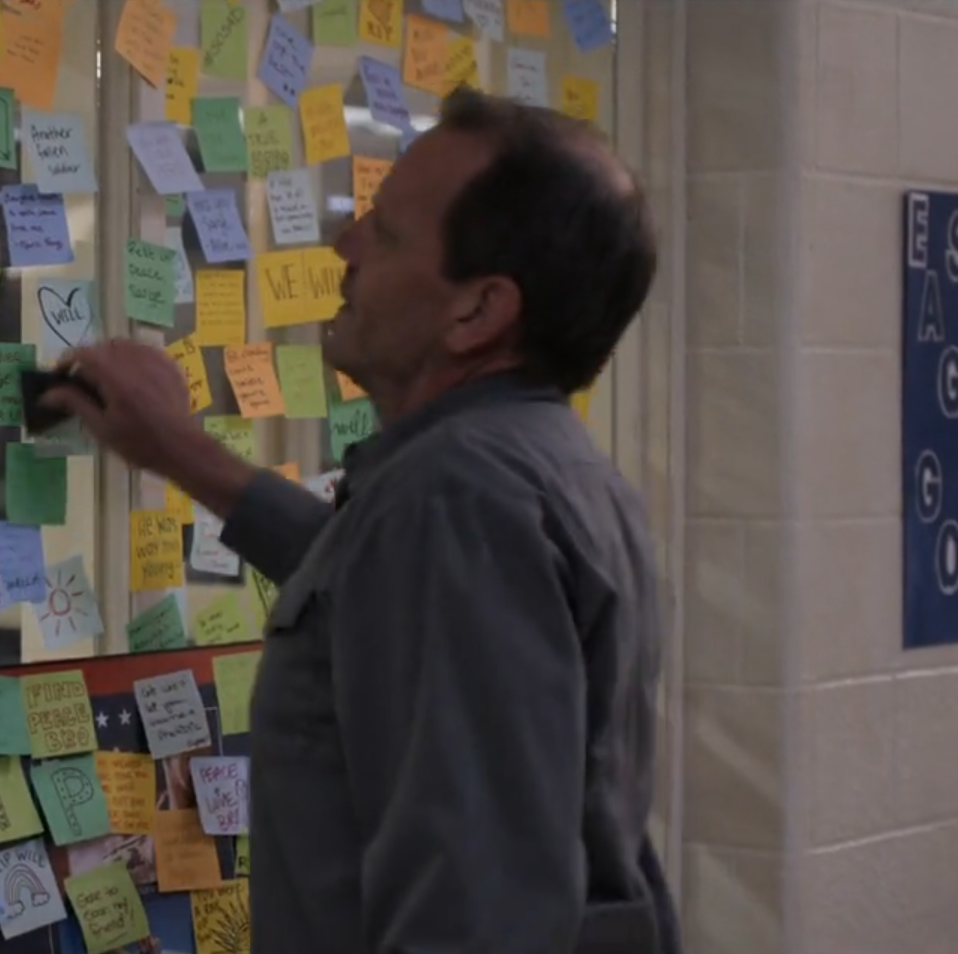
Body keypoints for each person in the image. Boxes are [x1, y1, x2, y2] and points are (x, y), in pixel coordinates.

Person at [44, 88, 679, 954]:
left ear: (478, 311)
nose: (344, 244)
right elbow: (379, 599)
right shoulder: (537, 467)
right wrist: (185, 454)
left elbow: (470, 913)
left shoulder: (456, 498)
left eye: (384, 232)